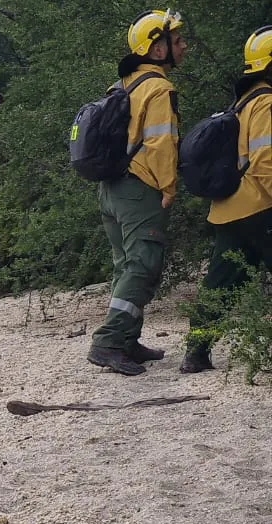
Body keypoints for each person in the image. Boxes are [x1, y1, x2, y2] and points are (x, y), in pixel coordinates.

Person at [87, 9, 188, 376]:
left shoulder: (122, 85)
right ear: (157, 50)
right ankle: (109, 343)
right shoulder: (158, 87)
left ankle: (127, 340)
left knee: (125, 264)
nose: (183, 46)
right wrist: (168, 187)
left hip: (112, 188)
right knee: (143, 264)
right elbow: (162, 144)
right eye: (176, 41)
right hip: (140, 188)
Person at [181, 27, 272, 373]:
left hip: (230, 208)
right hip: (260, 206)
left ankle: (196, 352)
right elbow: (266, 161)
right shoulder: (265, 103)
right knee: (222, 282)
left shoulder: (243, 102)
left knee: (220, 284)